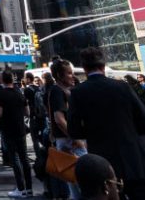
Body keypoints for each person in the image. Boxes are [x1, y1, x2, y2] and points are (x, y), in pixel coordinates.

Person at [67, 47, 145, 200]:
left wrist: (91, 133)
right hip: (132, 157)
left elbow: (74, 130)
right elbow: (144, 122)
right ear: (103, 65)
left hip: (102, 161)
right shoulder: (123, 87)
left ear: (84, 68)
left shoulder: (78, 92)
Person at [48, 59, 86, 200]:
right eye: (69, 73)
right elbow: (59, 119)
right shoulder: (57, 91)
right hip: (70, 143)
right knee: (82, 183)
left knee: (76, 184)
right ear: (59, 75)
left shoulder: (64, 91)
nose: (72, 76)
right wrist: (75, 138)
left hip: (69, 141)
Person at [0, 70, 33, 198]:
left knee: (15, 159)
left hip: (7, 130)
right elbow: (27, 112)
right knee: (24, 159)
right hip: (20, 129)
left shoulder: (0, 94)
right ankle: (29, 188)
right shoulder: (19, 92)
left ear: (2, 80)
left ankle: (20, 188)